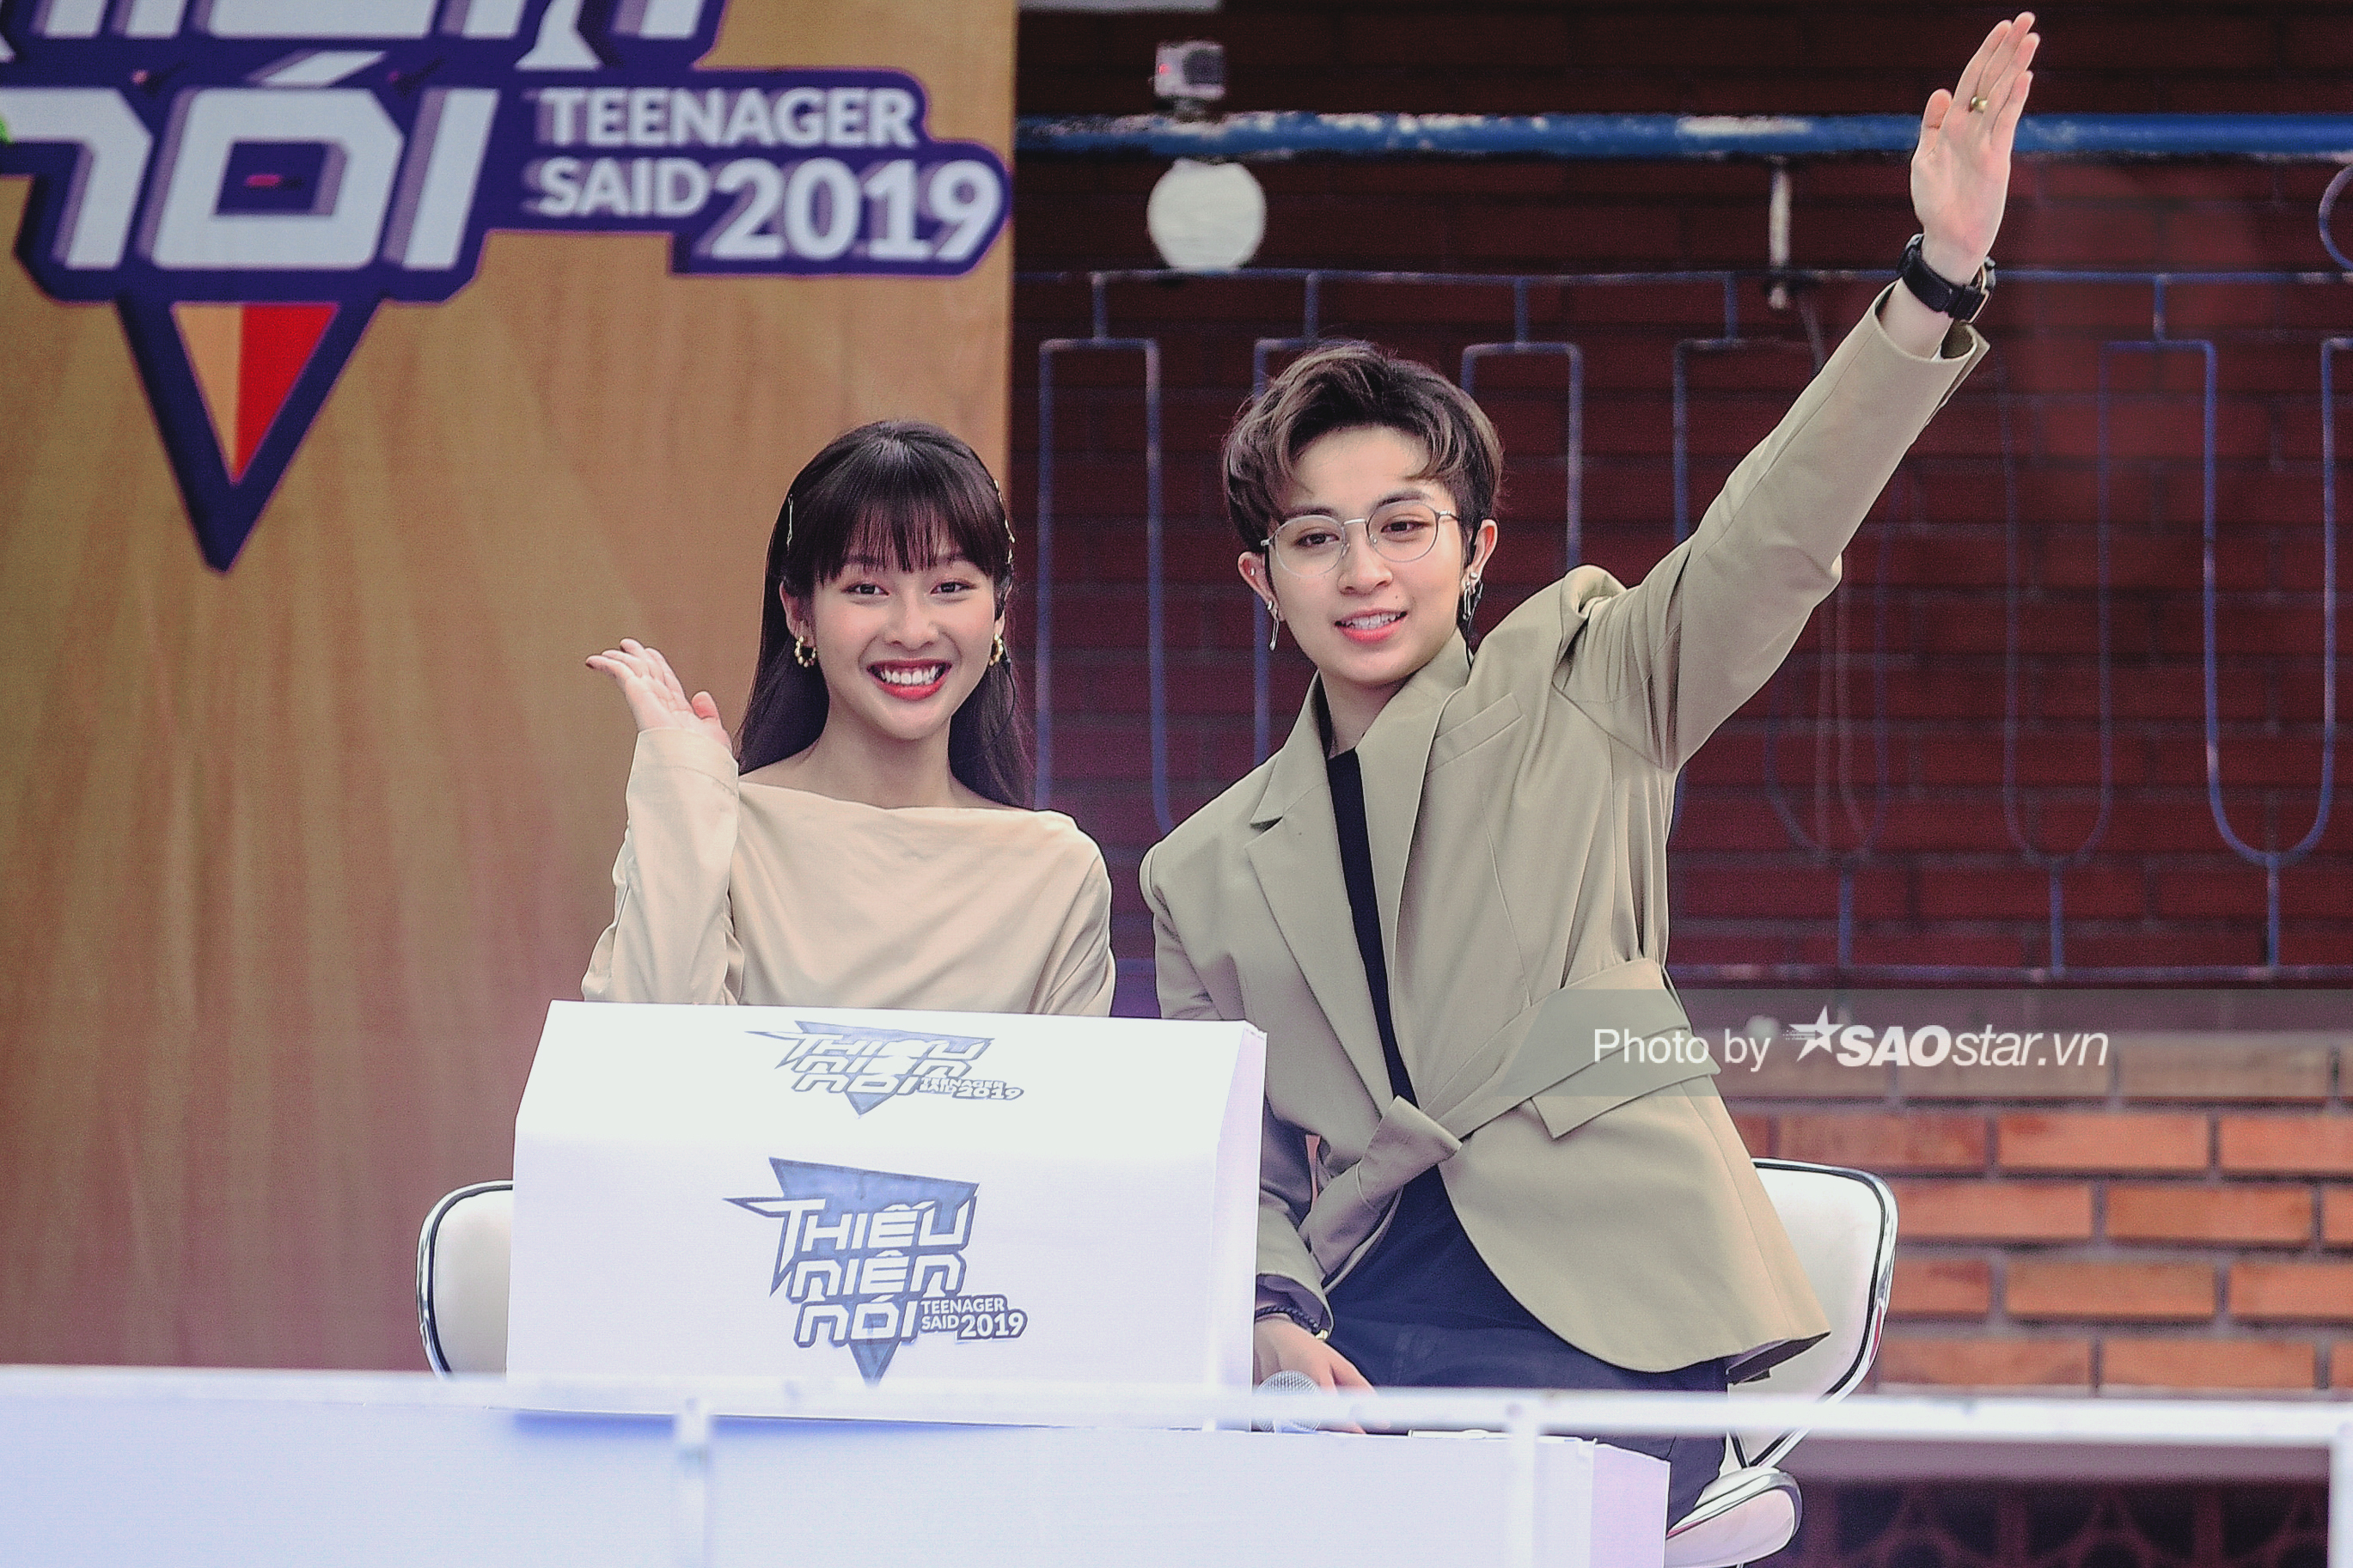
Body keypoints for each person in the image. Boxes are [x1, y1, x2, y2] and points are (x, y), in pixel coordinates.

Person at [1141, 15, 2037, 1526]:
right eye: (1314, 538)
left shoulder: (1586, 677)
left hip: (1609, 1299)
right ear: (1261, 580)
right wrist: (1269, 1318)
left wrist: (1934, 278)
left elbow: (1774, 531)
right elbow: (1245, 1174)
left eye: (1403, 525)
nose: (1363, 571)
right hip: (1363, 1326)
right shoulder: (1202, 870)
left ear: (1476, 548)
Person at [583, 420, 1115, 1016]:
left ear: (999, 609)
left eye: (949, 586)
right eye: (867, 589)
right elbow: (647, 1051)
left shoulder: (1057, 874)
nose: (912, 630)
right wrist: (686, 786)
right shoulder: (719, 832)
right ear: (799, 612)